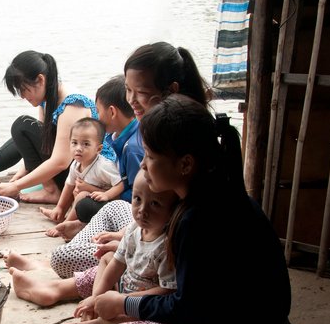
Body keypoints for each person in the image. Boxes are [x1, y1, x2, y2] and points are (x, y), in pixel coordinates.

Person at [92, 94, 292, 324]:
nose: (143, 165)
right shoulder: (206, 190)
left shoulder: (198, 219)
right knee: (122, 260)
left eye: (150, 156)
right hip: (244, 315)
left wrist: (126, 303)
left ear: (185, 165)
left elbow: (187, 308)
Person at [48, 42, 212, 279]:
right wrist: (128, 236)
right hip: (149, 229)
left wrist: (128, 247)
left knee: (75, 258)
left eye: (142, 92)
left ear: (170, 90)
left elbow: (179, 294)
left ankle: (71, 282)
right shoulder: (157, 126)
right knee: (111, 219)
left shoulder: (176, 134)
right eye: (128, 90)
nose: (132, 100)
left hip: (158, 245)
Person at [9, 171, 177, 324]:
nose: (142, 210)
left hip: (139, 302)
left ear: (173, 212)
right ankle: (92, 300)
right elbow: (117, 263)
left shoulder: (166, 246)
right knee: (107, 258)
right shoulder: (134, 229)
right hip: (124, 285)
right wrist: (98, 297)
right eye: (137, 199)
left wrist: (122, 301)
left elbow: (166, 291)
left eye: (155, 204)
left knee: (135, 318)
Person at [0, 50, 110, 204]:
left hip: (85, 179)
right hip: (71, 170)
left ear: (40, 80)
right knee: (24, 132)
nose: (22, 96)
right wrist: (25, 169)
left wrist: (16, 186)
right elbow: (40, 141)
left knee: (22, 126)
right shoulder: (48, 96)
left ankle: (52, 190)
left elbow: (61, 161)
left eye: (23, 89)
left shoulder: (72, 105)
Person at [50, 75, 142, 241]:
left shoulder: (133, 148)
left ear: (112, 112)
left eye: (98, 111)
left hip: (128, 209)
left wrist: (96, 191)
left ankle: (82, 226)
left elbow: (138, 194)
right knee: (82, 198)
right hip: (111, 191)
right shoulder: (115, 136)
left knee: (85, 204)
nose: (96, 117)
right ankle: (80, 224)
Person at [38, 117, 122, 237]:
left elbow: (121, 185)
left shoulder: (103, 166)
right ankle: (60, 215)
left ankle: (66, 225)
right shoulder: (76, 164)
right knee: (78, 193)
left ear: (98, 149)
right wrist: (60, 207)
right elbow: (69, 185)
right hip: (90, 202)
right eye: (74, 143)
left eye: (86, 144)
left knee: (82, 195)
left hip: (109, 204)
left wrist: (106, 195)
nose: (78, 148)